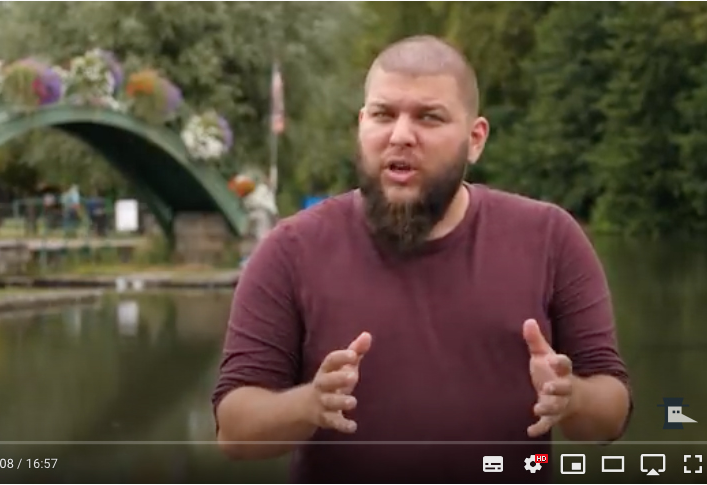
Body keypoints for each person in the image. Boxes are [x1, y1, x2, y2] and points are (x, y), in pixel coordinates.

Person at [211, 35, 632, 483]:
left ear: (475, 139)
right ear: (361, 125)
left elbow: (611, 411)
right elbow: (234, 430)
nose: (400, 135)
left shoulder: (550, 238)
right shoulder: (290, 249)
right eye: (383, 115)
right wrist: (309, 404)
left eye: (428, 117)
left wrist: (572, 399)